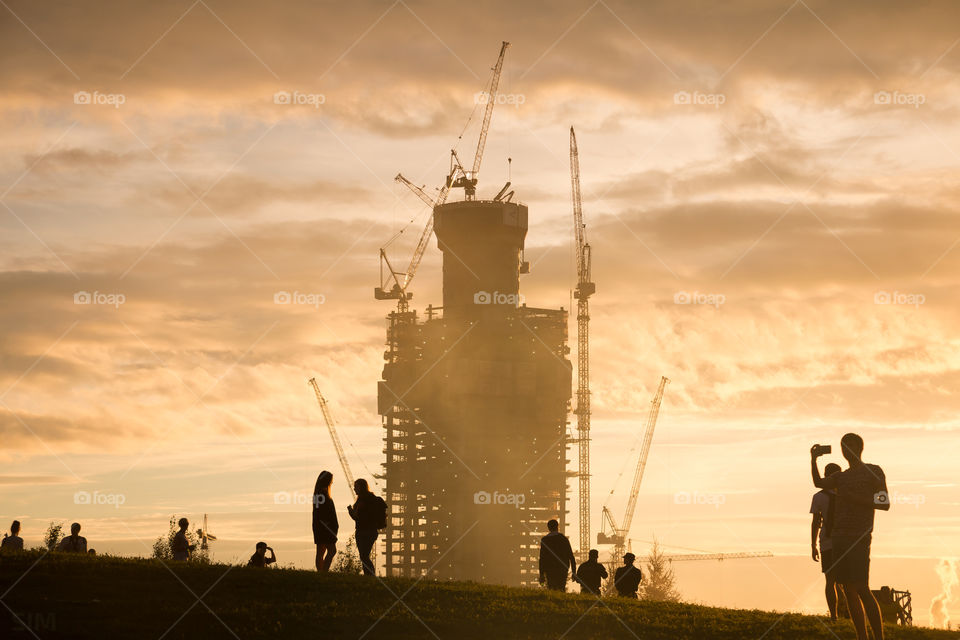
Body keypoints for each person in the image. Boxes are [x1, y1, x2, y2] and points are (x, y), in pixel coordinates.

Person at [812, 433, 889, 640]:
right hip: (839, 537)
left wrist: (855, 498)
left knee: (862, 587)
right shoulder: (840, 477)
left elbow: (884, 502)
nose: (846, 449)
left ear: (860, 447)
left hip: (859, 536)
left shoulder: (873, 471)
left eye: (850, 445)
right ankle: (861, 636)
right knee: (847, 588)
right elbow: (819, 483)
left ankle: (878, 636)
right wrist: (813, 459)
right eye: (843, 446)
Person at [811, 462, 842, 620]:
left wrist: (813, 545)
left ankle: (834, 616)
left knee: (830, 581)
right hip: (845, 541)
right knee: (848, 581)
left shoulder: (818, 497)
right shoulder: (846, 495)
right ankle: (850, 613)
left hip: (827, 542)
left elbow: (816, 522)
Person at [347, 478, 386, 576]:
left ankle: (371, 575)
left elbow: (357, 517)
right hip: (372, 531)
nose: (354, 489)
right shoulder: (373, 498)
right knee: (365, 556)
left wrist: (350, 511)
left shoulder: (361, 501)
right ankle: (368, 575)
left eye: (356, 487)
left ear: (361, 487)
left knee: (363, 556)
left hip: (363, 532)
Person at [538, 519, 576, 592]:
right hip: (562, 568)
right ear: (557, 527)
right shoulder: (563, 539)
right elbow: (571, 556)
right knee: (561, 588)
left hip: (550, 569)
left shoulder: (545, 540)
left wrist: (541, 574)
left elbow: (542, 558)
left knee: (551, 588)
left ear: (548, 528)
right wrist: (574, 572)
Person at [312, 470, 338, 572]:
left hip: (322, 526)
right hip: (325, 527)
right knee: (331, 550)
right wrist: (326, 523)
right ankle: (324, 571)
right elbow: (320, 512)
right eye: (331, 480)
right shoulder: (321, 494)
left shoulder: (320, 494)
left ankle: (321, 572)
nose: (332, 482)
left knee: (321, 551)